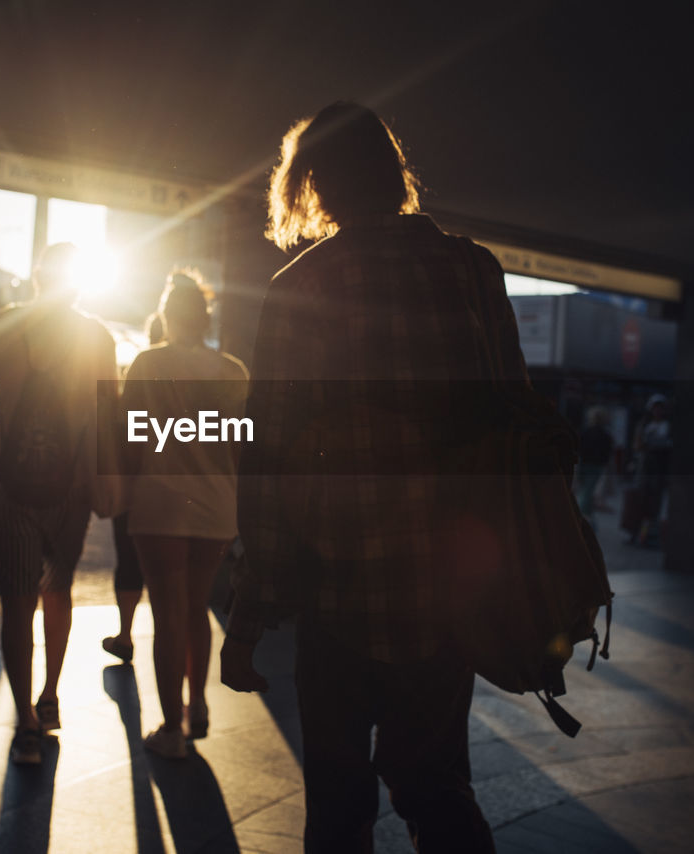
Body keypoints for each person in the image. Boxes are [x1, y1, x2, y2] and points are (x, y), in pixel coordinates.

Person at [222, 101, 520, 852]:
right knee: (439, 789)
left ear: (314, 183)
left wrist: (251, 611)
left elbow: (270, 457)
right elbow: (515, 427)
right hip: (455, 586)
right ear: (395, 175)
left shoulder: (302, 286)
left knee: (338, 806)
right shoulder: (475, 270)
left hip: (341, 589)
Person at [0, 242, 118, 765]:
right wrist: (112, 480)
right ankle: (50, 695)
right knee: (57, 592)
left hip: (8, 489)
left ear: (37, 278)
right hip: (72, 490)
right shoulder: (97, 337)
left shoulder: (3, 324)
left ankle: (25, 721)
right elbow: (110, 415)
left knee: (18, 602)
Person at [123, 275, 248, 757]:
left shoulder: (147, 364)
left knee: (167, 615)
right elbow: (241, 448)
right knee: (197, 610)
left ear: (168, 315)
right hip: (216, 506)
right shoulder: (233, 371)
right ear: (205, 317)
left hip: (159, 504)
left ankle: (171, 729)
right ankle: (198, 706)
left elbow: (129, 436)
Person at [102, 312, 165, 664]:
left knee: (128, 561)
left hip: (136, 488)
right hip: (182, 491)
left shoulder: (141, 369)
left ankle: (126, 635)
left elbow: (124, 430)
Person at [632, 393, 672, 545]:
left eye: (660, 408)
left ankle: (649, 535)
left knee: (654, 504)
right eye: (655, 408)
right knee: (641, 501)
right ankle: (636, 533)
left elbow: (665, 445)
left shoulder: (667, 426)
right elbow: (638, 445)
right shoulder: (644, 424)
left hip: (658, 468)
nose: (657, 411)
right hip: (644, 467)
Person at [575, 406, 614, 530]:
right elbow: (607, 455)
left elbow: (579, 449)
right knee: (587, 493)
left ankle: (582, 518)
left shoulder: (586, 432)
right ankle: (585, 518)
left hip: (588, 465)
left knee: (586, 493)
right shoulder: (604, 435)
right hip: (593, 466)